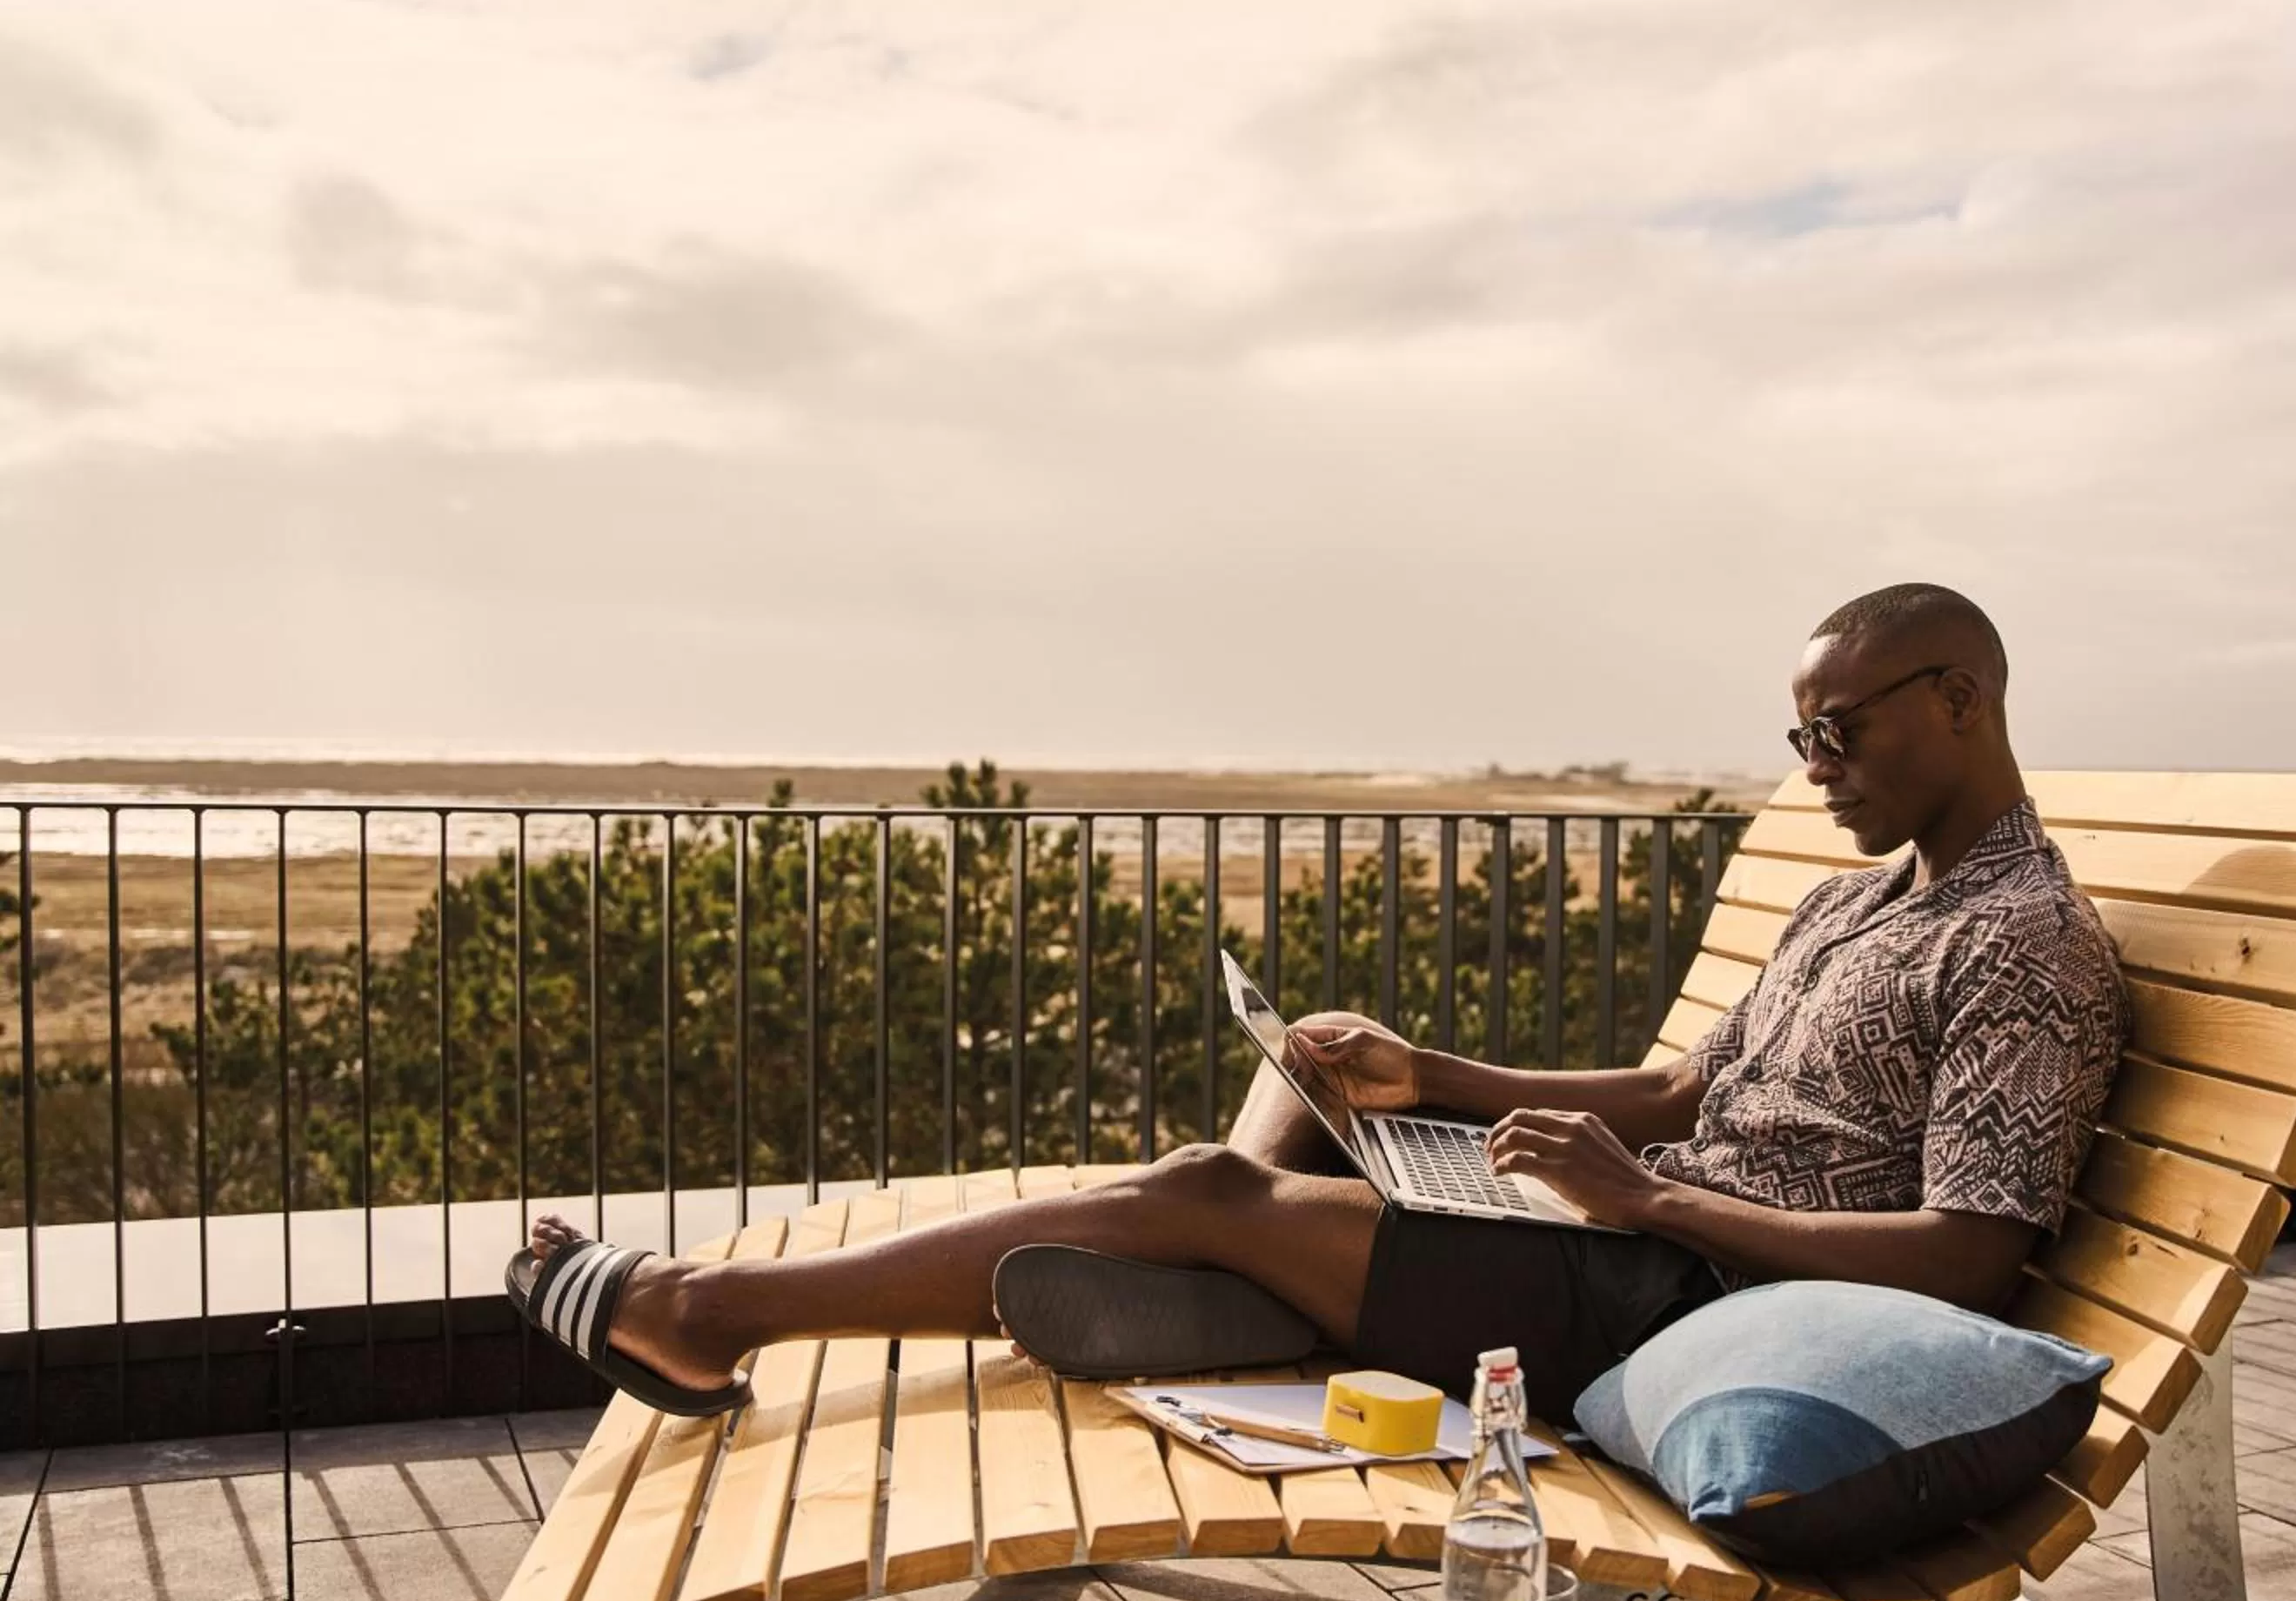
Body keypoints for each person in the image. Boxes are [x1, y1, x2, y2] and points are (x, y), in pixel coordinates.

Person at [510, 581, 2130, 1420]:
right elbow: (1681, 1086)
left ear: (1963, 699)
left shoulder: (2020, 945)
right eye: (1798, 740)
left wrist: (1644, 1201)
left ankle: (708, 1317)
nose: (1815, 766)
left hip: (1675, 1296)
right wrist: (1431, 1069)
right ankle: (1246, 1290)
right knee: (1320, 1076)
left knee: (1213, 1184)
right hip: (1628, 1227)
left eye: (1837, 730)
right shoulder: (1857, 898)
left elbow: (1970, 1258)